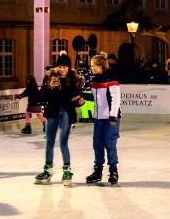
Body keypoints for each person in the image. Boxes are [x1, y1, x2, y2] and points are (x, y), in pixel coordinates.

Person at [34, 53, 84, 187]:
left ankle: (67, 170)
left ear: (69, 68)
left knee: (63, 143)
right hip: (52, 113)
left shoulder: (74, 80)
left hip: (66, 113)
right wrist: (50, 86)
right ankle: (47, 170)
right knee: (49, 143)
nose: (62, 69)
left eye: (64, 67)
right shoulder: (50, 78)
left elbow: (74, 99)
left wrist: (80, 101)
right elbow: (42, 96)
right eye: (60, 66)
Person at [85, 52, 122, 186]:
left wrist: (113, 116)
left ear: (100, 66)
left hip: (110, 118)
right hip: (98, 117)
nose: (91, 69)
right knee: (97, 145)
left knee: (110, 144)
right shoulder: (95, 80)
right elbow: (96, 98)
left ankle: (113, 170)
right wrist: (82, 96)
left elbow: (115, 98)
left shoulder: (111, 78)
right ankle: (98, 170)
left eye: (93, 66)